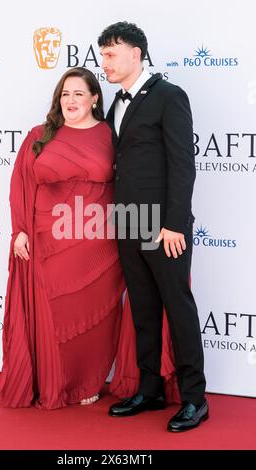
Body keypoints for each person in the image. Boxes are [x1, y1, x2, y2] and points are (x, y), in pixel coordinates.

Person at [0, 66, 179, 410]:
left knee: (95, 317)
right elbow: (21, 184)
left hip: (98, 241)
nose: (71, 100)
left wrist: (158, 221)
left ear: (95, 98)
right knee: (54, 316)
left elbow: (134, 179)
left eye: (79, 93)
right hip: (47, 242)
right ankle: (55, 382)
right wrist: (19, 229)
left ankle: (87, 381)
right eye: (65, 94)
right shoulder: (40, 134)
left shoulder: (112, 134)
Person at [98, 22, 208, 432]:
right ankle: (150, 388)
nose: (104, 62)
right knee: (143, 310)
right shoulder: (116, 102)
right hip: (128, 222)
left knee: (178, 309)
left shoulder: (169, 96)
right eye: (103, 54)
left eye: (111, 53)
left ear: (136, 54)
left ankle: (195, 398)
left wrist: (175, 223)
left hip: (163, 227)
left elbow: (183, 164)